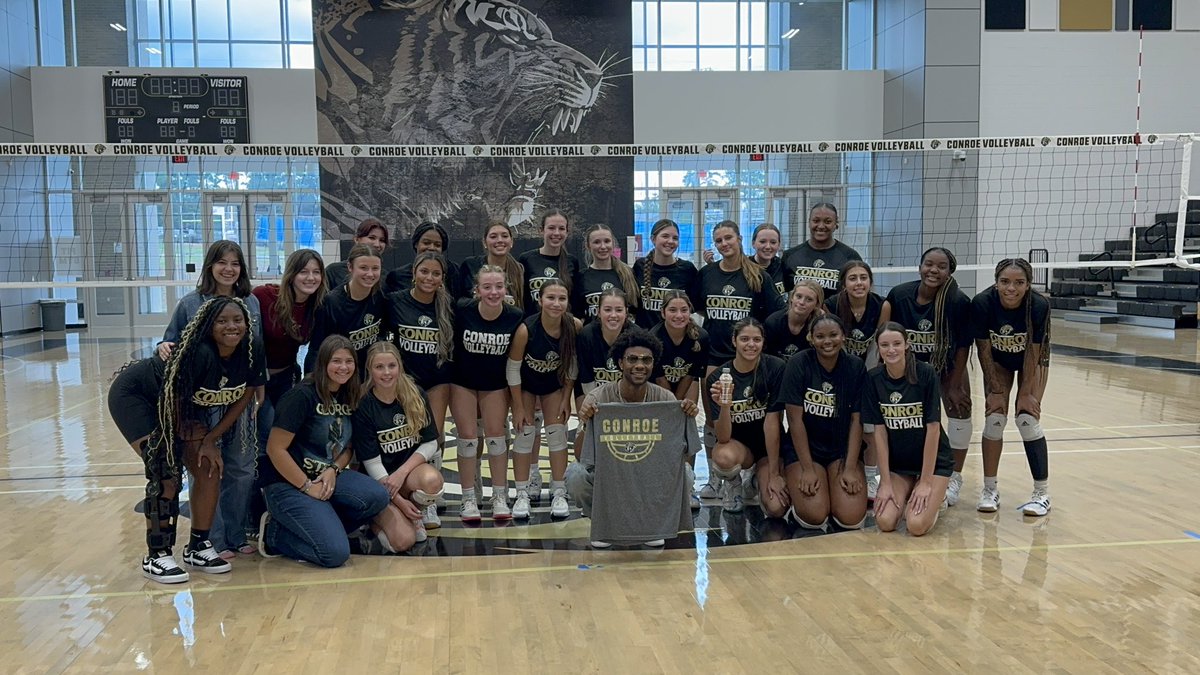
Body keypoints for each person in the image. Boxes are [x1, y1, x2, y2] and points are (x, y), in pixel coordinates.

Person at [113, 296, 261, 583]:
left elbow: (246, 393)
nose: (232, 326)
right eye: (222, 321)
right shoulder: (200, 354)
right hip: (140, 397)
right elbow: (175, 405)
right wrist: (186, 445)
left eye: (238, 320)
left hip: (185, 408)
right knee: (164, 468)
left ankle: (198, 546)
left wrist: (211, 440)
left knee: (208, 466)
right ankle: (156, 555)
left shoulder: (252, 348)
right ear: (208, 326)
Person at [157, 240, 264, 559]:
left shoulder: (250, 303)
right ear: (210, 266)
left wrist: (259, 390)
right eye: (222, 262)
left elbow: (256, 350)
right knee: (207, 467)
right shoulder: (191, 303)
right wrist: (163, 345)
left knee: (243, 467)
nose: (229, 269)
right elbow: (170, 340)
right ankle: (210, 538)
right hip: (203, 402)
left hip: (239, 398)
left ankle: (235, 532)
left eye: (235, 263)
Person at [259, 335, 389, 566]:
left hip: (324, 477)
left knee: (377, 496)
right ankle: (275, 535)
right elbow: (275, 449)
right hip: (287, 483)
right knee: (335, 554)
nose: (343, 367)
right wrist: (307, 487)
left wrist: (333, 469)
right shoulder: (302, 396)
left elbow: (348, 448)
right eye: (336, 361)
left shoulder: (349, 395)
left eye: (349, 361)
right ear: (323, 363)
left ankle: (321, 524)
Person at [565, 327, 700, 548]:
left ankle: (653, 523)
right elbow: (581, 455)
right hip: (610, 476)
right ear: (620, 363)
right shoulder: (599, 397)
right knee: (576, 476)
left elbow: (684, 452)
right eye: (633, 359)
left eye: (646, 360)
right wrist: (586, 423)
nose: (640, 365)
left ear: (653, 364)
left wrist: (686, 414)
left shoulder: (665, 399)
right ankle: (603, 523)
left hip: (649, 479)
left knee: (686, 475)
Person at [880, 247, 973, 506]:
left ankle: (954, 476)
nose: (933, 270)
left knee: (960, 409)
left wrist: (955, 383)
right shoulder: (900, 295)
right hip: (910, 367)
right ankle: (904, 473)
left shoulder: (958, 302)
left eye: (941, 266)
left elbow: (964, 344)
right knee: (904, 415)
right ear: (919, 266)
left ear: (949, 272)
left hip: (946, 366)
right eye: (928, 264)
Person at [972, 258, 1053, 516]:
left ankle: (1041, 494)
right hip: (998, 360)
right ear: (996, 283)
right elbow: (984, 349)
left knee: (1027, 420)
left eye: (1019, 283)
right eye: (1005, 282)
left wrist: (1027, 393)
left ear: (1028, 285)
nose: (1011, 288)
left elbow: (1035, 351)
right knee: (994, 418)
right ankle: (990, 489)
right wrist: (996, 389)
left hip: (1032, 358)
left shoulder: (1038, 305)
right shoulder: (983, 303)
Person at [862, 322, 954, 536]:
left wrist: (925, 481)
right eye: (884, 345)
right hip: (900, 465)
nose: (891, 349)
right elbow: (879, 433)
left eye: (896, 343)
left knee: (916, 525)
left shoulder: (925, 373)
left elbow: (933, 429)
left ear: (907, 345)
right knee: (885, 522)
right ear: (878, 348)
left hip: (934, 463)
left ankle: (938, 499)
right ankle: (908, 491)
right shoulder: (873, 378)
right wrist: (884, 482)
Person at [777, 315, 868, 530]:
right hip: (806, 450)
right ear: (811, 339)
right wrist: (807, 469)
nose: (827, 341)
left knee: (851, 517)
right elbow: (794, 419)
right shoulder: (798, 363)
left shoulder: (855, 367)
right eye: (820, 336)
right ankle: (794, 486)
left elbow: (857, 421)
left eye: (833, 335)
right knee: (814, 516)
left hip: (840, 450)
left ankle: (831, 483)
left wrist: (851, 467)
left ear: (843, 336)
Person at [385, 251, 455, 528]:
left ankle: (430, 502)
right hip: (405, 381)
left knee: (433, 439)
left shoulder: (448, 306)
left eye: (435, 273)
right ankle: (402, 494)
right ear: (414, 272)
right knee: (406, 437)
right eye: (424, 271)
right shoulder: (395, 302)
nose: (429, 277)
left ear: (442, 278)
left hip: (437, 380)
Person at [353, 342, 445, 552]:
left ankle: (415, 515)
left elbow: (431, 441)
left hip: (404, 477)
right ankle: (374, 520)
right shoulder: (363, 404)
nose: (386, 373)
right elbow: (371, 463)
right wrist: (398, 500)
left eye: (391, 366)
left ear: (400, 367)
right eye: (379, 367)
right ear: (369, 370)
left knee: (433, 480)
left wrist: (402, 472)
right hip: (378, 483)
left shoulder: (415, 394)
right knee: (405, 541)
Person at [450, 265, 525, 522]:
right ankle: (468, 498)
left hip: (495, 383)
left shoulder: (515, 316)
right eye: (487, 287)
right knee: (468, 439)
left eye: (498, 287)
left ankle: (499, 496)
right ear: (477, 290)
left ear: (506, 289)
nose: (493, 292)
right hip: (463, 382)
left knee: (496, 437)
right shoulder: (462, 310)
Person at [506, 278, 580, 519]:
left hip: (553, 385)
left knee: (558, 433)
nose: (556, 303)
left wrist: (566, 396)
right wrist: (517, 406)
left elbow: (572, 365)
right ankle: (521, 493)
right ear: (540, 300)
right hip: (526, 385)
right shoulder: (526, 329)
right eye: (550, 298)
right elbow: (513, 369)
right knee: (525, 434)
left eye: (561, 298)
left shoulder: (574, 326)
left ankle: (559, 490)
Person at [703, 319, 788, 516]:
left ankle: (757, 478)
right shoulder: (717, 378)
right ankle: (734, 485)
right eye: (744, 339)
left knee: (776, 508)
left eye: (756, 339)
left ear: (763, 342)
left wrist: (774, 474)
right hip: (738, 446)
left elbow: (773, 422)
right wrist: (725, 406)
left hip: (768, 447)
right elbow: (723, 437)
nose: (751, 344)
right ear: (734, 341)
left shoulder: (776, 368)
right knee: (723, 457)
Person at [824, 260, 884, 497]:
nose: (858, 283)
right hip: (840, 369)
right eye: (852, 278)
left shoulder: (882, 305)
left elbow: (878, 347)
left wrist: (868, 380)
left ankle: (871, 475)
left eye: (863, 278)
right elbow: (830, 343)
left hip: (867, 370)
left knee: (869, 425)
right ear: (843, 284)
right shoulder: (832, 305)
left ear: (870, 281)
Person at [252, 249, 326, 425]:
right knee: (264, 428)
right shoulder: (264, 296)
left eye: (316, 272)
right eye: (304, 272)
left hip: (286, 378)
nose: (311, 278)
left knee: (284, 428)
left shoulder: (318, 307)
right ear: (292, 274)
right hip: (256, 379)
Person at [650, 290, 709, 509]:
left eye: (684, 310)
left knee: (688, 425)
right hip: (658, 389)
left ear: (690, 311)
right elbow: (658, 377)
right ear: (663, 312)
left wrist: (684, 406)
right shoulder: (653, 338)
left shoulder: (700, 337)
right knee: (661, 433)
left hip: (686, 385)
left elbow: (692, 375)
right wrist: (673, 404)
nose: (678, 315)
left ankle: (688, 484)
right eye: (672, 310)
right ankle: (661, 484)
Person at [697, 220, 781, 369]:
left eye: (728, 238)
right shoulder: (706, 273)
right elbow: (699, 307)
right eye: (718, 240)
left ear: (739, 239)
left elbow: (778, 312)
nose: (724, 243)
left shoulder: (759, 275)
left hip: (747, 354)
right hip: (713, 355)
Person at [304, 243, 388, 372]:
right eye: (364, 268)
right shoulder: (331, 303)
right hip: (342, 373)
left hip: (369, 372)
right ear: (350, 267)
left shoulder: (381, 295)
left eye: (375, 268)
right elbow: (316, 349)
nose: (370, 274)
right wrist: (312, 382)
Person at [780, 203, 862, 294]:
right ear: (809, 222)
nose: (821, 226)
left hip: (835, 308)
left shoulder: (850, 257)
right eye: (816, 221)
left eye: (828, 222)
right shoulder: (790, 256)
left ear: (836, 224)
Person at [633, 218, 699, 329]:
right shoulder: (640, 266)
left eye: (675, 238)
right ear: (653, 239)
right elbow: (634, 307)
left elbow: (693, 306)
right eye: (665, 236)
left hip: (676, 338)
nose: (670, 241)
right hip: (644, 339)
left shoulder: (687, 269)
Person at [517, 208, 581, 314]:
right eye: (551, 228)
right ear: (541, 230)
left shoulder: (572, 261)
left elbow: (575, 301)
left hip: (562, 325)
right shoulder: (526, 259)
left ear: (567, 232)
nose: (556, 233)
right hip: (532, 325)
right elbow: (521, 297)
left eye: (561, 228)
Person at [575, 287, 630, 403]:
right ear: (598, 312)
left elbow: (637, 380)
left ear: (626, 312)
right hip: (591, 391)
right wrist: (598, 406)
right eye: (608, 310)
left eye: (619, 310)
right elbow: (586, 378)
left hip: (625, 396)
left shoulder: (635, 336)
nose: (613, 315)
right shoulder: (586, 335)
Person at [575, 223, 640, 321]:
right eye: (597, 242)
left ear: (613, 243)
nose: (603, 246)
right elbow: (577, 314)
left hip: (622, 334)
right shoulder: (581, 277)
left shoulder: (628, 274)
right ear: (588, 246)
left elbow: (635, 311)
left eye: (607, 241)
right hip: (593, 335)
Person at [459, 221, 525, 309]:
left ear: (511, 241)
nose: (500, 240)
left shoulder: (520, 270)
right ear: (484, 242)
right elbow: (460, 300)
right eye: (493, 237)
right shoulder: (470, 265)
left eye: (505, 236)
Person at [384, 221, 462, 297]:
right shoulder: (398, 276)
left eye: (437, 245)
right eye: (426, 243)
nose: (431, 248)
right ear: (416, 244)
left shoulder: (453, 272)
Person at [764, 280, 824, 360]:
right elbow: (766, 358)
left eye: (809, 299)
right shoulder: (773, 322)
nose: (802, 302)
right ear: (791, 297)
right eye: (798, 296)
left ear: (817, 305)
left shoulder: (819, 326)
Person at [326, 217, 389, 290]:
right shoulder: (333, 271)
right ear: (356, 239)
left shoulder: (386, 277)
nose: (377, 244)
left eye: (382, 240)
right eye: (372, 238)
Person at [751, 223, 787, 298]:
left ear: (779, 245)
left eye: (773, 242)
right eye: (762, 242)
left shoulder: (783, 266)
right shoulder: (744, 267)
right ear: (753, 243)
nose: (768, 246)